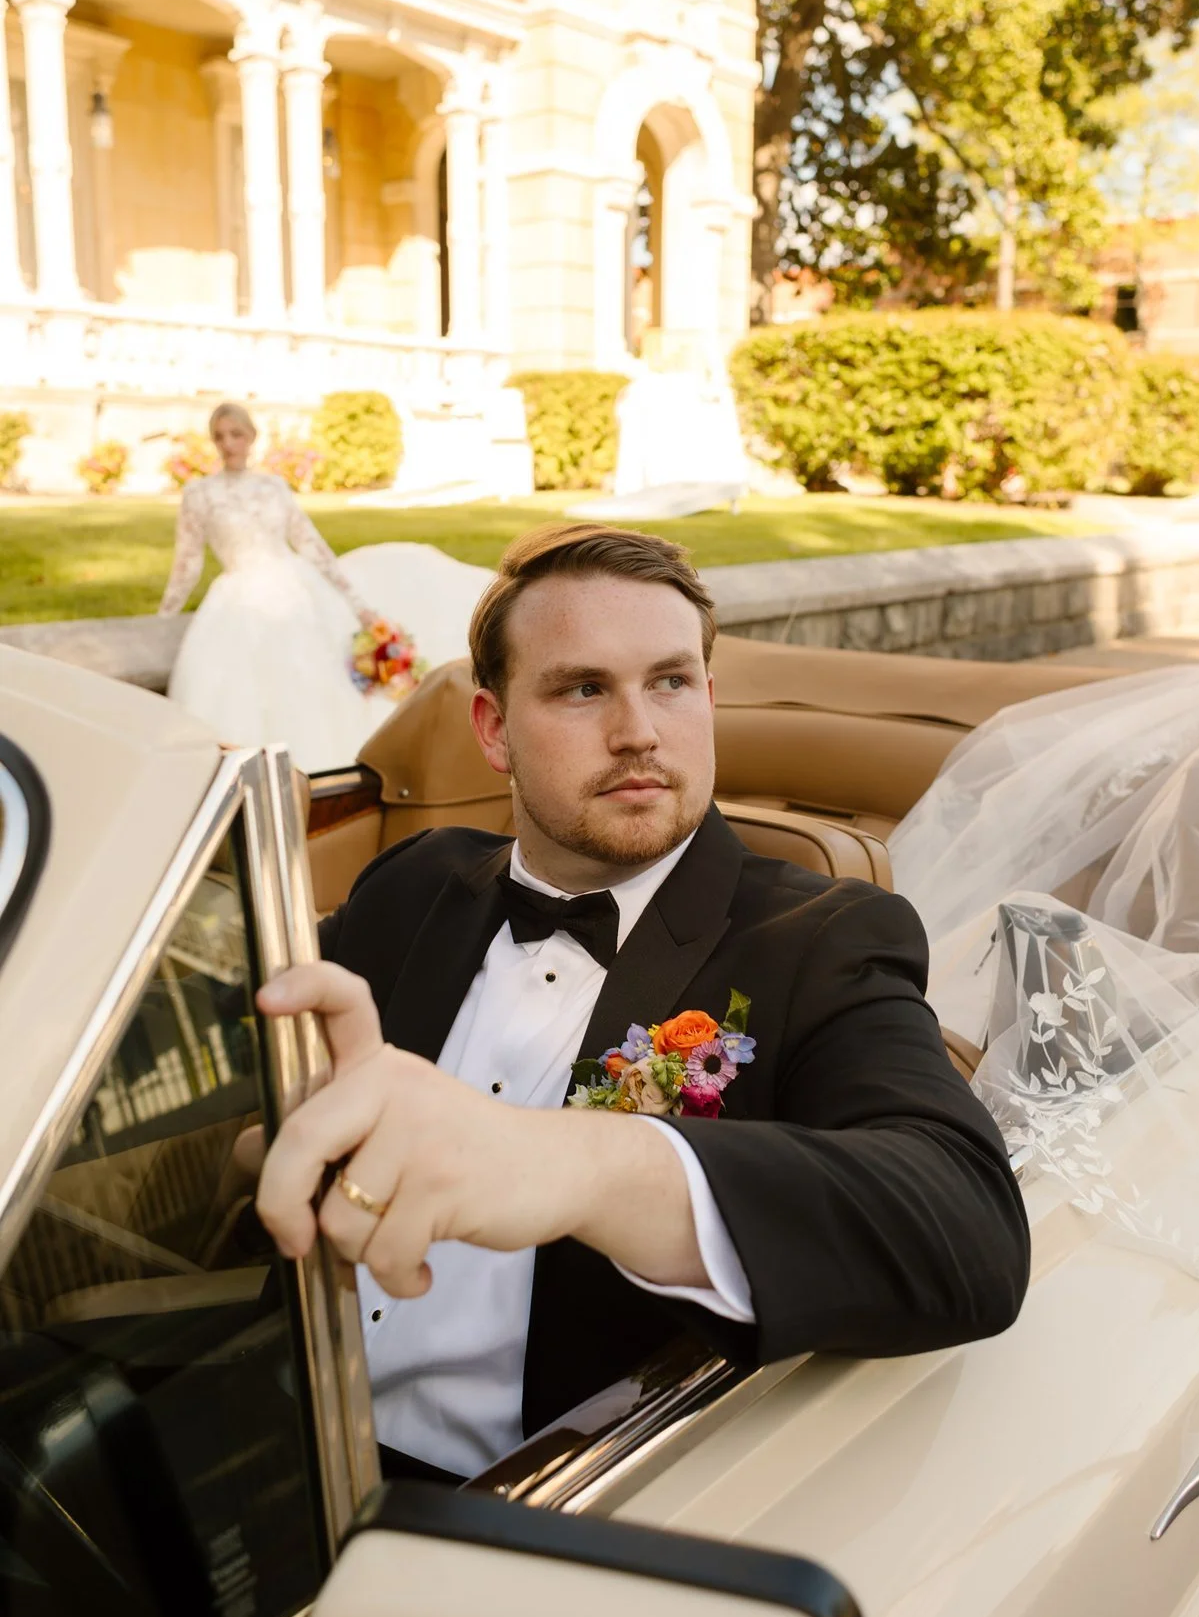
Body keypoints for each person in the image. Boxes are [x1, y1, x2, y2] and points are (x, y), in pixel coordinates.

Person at [253, 523, 1030, 1483]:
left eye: (669, 682)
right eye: (583, 689)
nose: (638, 733)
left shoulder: (820, 939)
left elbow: (968, 1236)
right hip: (275, 1430)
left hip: (530, 1504)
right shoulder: (413, 882)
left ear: (707, 697)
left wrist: (585, 1165)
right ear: (493, 730)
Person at [158, 402, 398, 772]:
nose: (228, 444)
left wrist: (357, 604)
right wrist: (165, 615)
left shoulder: (273, 487)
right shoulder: (199, 494)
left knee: (309, 677)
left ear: (251, 437)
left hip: (292, 589)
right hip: (236, 594)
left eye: (236, 434)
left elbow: (311, 545)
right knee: (236, 688)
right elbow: (187, 563)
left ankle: (318, 766)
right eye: (220, 436)